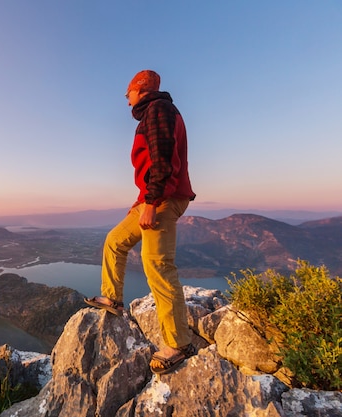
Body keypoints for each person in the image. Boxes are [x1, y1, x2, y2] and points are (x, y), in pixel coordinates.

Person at [84, 69, 196, 375]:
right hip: (152, 196)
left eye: (127, 92)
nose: (125, 98)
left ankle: (178, 344)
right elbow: (153, 164)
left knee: (157, 266)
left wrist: (151, 202)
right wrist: (139, 203)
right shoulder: (153, 112)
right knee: (115, 240)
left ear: (140, 89)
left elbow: (161, 160)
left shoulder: (159, 110)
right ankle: (112, 298)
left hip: (163, 198)